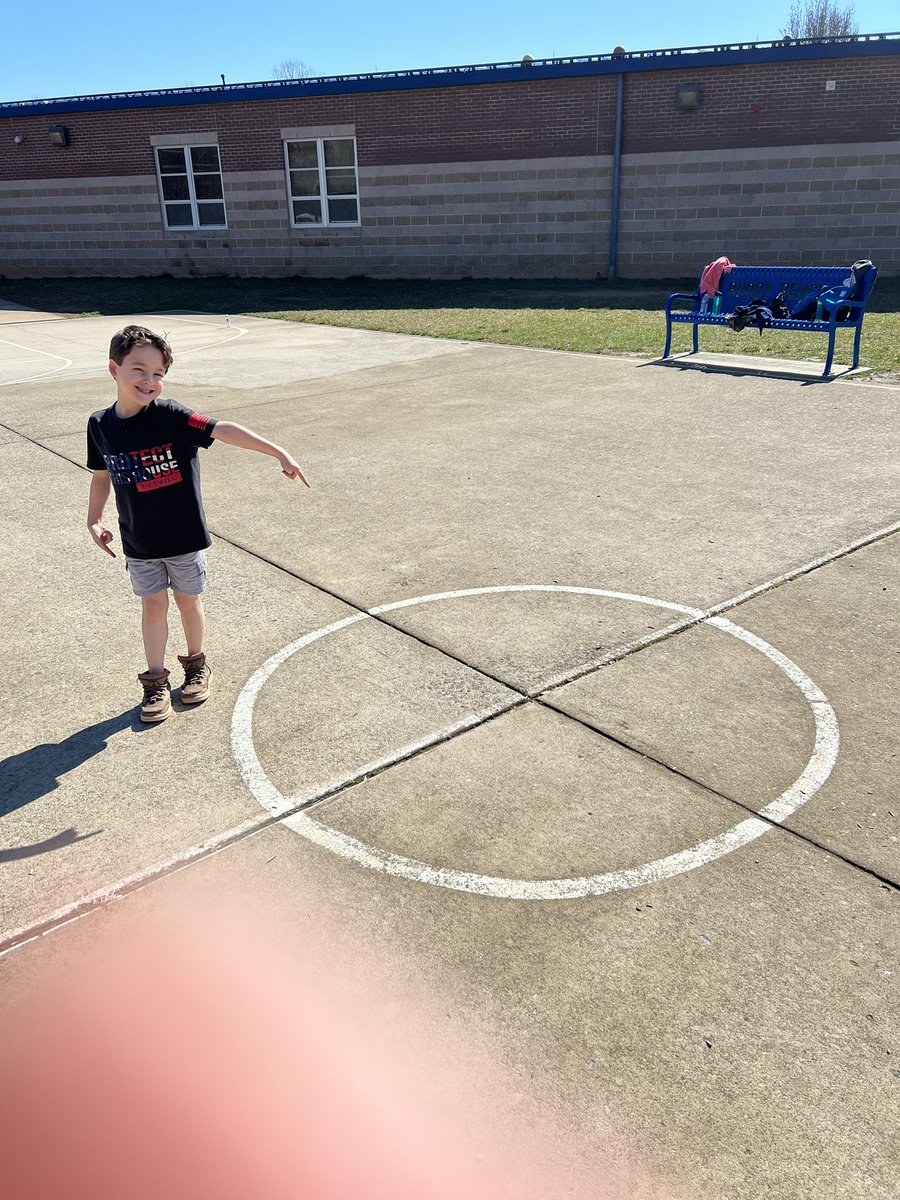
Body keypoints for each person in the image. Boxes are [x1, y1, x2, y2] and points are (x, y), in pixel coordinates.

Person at [86, 324, 309, 724]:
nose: (149, 380)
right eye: (139, 369)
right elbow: (102, 474)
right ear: (114, 369)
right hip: (139, 540)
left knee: (188, 600)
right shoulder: (100, 424)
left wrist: (278, 452)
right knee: (152, 606)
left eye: (158, 373)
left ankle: (196, 665)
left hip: (183, 537)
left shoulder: (170, 416)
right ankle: (155, 681)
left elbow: (222, 429)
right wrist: (94, 518)